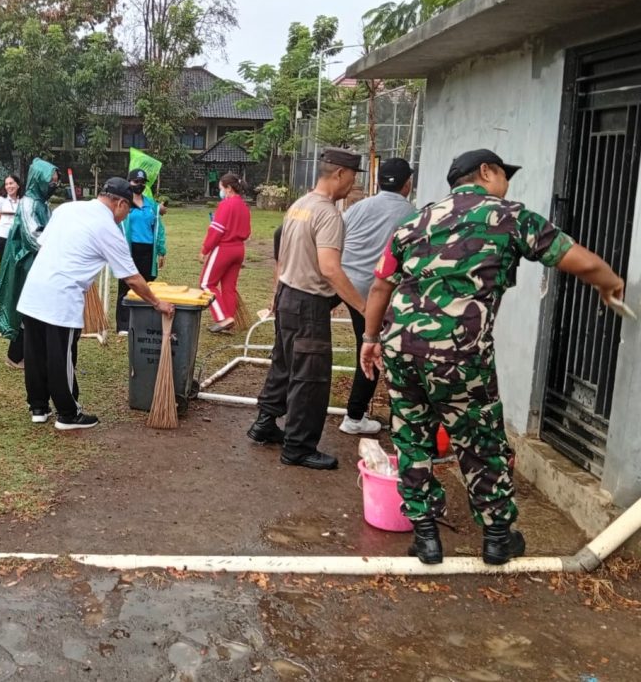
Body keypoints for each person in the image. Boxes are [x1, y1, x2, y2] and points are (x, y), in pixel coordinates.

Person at [360, 149, 625, 566]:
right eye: (504, 175)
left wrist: (370, 339)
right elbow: (578, 260)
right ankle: (498, 537)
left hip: (400, 348)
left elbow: (380, 287)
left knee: (411, 436)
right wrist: (612, 284)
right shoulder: (511, 216)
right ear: (486, 172)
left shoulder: (414, 221)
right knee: (481, 441)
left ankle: (426, 537)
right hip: (461, 356)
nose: (507, 185)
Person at [18, 177, 175, 430]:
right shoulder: (108, 229)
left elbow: (44, 243)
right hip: (61, 297)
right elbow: (132, 278)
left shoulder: (67, 208)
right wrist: (158, 303)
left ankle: (38, 407)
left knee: (36, 352)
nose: (126, 217)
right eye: (128, 211)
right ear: (121, 204)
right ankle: (68, 414)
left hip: (33, 290)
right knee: (62, 356)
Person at [247, 149, 367, 470]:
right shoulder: (328, 214)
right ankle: (298, 447)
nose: (353, 185)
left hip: (288, 295)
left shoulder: (299, 206)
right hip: (308, 303)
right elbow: (330, 268)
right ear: (340, 174)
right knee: (310, 376)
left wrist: (276, 293)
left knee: (284, 364)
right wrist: (363, 307)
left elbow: (282, 256)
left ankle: (265, 422)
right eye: (353, 178)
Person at [335, 157, 416, 435]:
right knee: (370, 347)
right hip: (372, 291)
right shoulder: (412, 215)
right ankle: (354, 418)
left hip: (341, 281)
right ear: (408, 183)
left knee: (307, 331)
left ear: (378, 181)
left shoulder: (358, 207)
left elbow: (338, 237)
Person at [0, 158, 60, 369]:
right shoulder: (29, 203)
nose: (54, 185)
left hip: (38, 264)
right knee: (25, 310)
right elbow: (33, 237)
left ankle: (28, 354)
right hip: (25, 264)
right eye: (51, 181)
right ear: (39, 180)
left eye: (56, 181)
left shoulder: (43, 204)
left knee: (34, 310)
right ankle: (15, 355)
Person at [115, 168, 167, 334]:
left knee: (146, 286)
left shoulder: (151, 204)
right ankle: (123, 325)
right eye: (136, 182)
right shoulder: (123, 203)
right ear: (129, 182)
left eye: (142, 182)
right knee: (126, 285)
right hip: (129, 249)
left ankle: (143, 322)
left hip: (148, 251)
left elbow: (158, 228)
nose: (140, 185)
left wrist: (161, 250)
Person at [199, 173, 252, 333]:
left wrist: (205, 250)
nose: (220, 191)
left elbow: (216, 230)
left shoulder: (226, 205)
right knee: (229, 287)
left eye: (221, 188)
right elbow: (248, 231)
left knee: (206, 284)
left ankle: (223, 318)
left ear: (228, 188)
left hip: (224, 248)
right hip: (239, 249)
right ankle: (230, 319)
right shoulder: (244, 206)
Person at [0, 175, 22, 261]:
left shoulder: (23, 201)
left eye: (11, 183)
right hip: (2, 236)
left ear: (18, 185)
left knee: (16, 263)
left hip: (18, 237)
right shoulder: (1, 200)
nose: (8, 186)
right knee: (4, 263)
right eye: (6, 184)